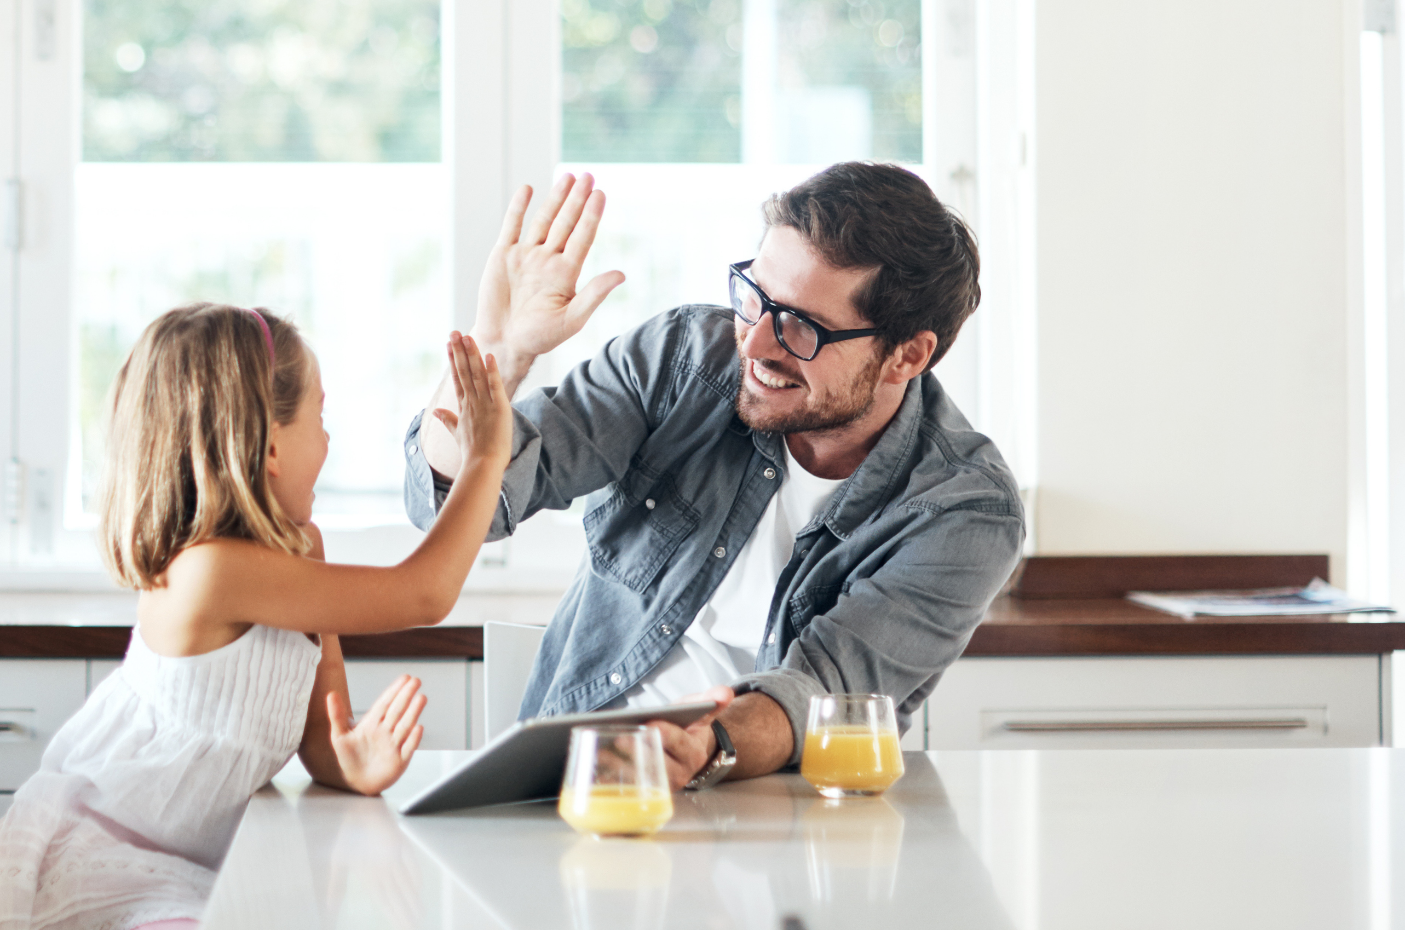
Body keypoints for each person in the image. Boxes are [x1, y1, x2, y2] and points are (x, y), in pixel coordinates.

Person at [406, 163, 1023, 790]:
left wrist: (707, 747)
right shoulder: (683, 359)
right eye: (754, 297)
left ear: (908, 355)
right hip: (580, 783)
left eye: (801, 327)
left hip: (775, 816)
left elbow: (828, 689)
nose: (755, 345)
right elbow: (460, 510)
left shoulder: (962, 509)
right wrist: (500, 351)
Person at [0, 303, 514, 930]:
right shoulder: (208, 572)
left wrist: (350, 763)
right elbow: (424, 594)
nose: (330, 439)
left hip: (199, 865)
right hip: (106, 856)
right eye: (321, 415)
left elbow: (319, 734)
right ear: (272, 444)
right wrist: (484, 462)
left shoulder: (301, 552)